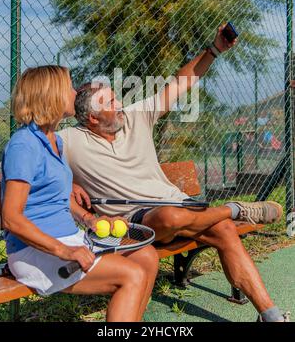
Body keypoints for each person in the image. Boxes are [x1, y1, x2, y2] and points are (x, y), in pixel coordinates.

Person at [59, 24, 290, 322]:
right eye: (111, 102)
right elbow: (31, 168)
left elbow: (180, 85)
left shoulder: (135, 118)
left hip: (179, 205)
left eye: (117, 98)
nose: (120, 106)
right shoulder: (69, 141)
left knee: (224, 231)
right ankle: (233, 209)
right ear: (91, 117)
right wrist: (71, 186)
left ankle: (270, 315)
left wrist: (215, 50)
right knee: (171, 217)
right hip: (134, 223)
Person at [1, 65, 159, 322]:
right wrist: (65, 251)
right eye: (69, 87)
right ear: (51, 95)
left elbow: (59, 197)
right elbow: (11, 219)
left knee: (147, 257)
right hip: (34, 252)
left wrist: (89, 220)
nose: (75, 93)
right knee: (132, 274)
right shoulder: (24, 145)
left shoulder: (55, 141)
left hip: (69, 239)